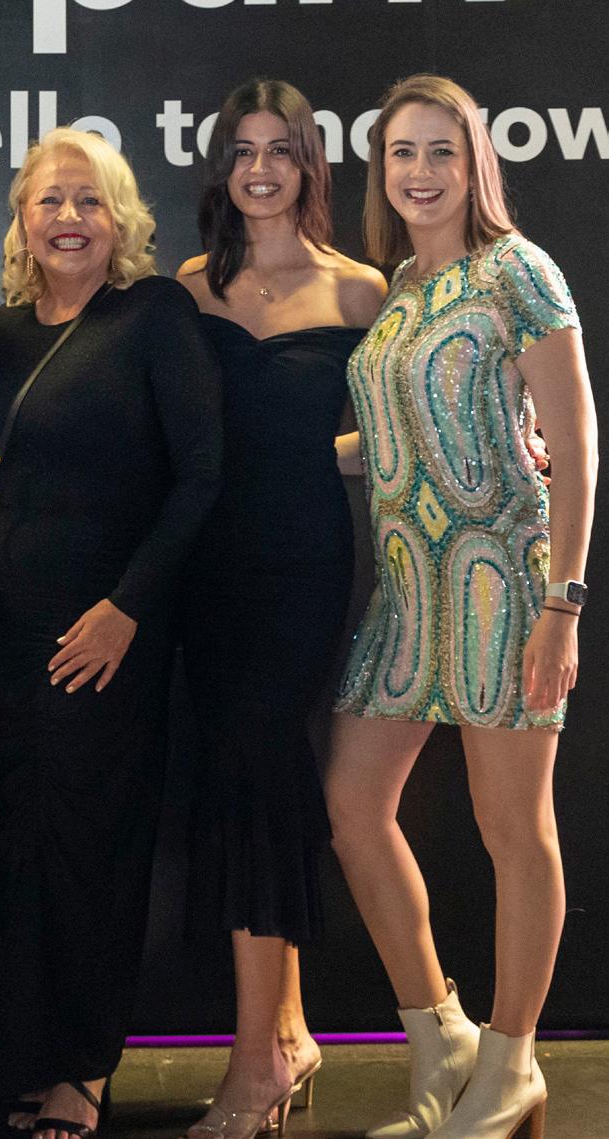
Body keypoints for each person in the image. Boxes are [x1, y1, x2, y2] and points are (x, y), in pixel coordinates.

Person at [326, 74, 596, 1139]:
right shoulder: (400, 284)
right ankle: (441, 1036)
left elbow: (574, 444)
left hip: (505, 584)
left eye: (442, 150)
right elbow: (398, 431)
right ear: (381, 169)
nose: (420, 171)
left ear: (475, 162)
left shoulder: (516, 270)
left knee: (512, 828)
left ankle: (512, 1062)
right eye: (402, 152)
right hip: (408, 589)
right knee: (353, 806)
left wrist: (562, 604)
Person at [0, 127, 223, 1139]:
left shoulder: (152, 313)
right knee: (13, 842)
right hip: (2, 635)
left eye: (88, 200)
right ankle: (18, 1057)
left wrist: (127, 609)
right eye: (49, 200)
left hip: (106, 629)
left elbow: (199, 475)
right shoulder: (3, 332)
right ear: (21, 219)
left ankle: (82, 1066)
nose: (68, 218)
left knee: (90, 848)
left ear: (120, 219)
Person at [174, 80, 387, 1139]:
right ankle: (289, 1033)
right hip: (204, 573)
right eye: (242, 151)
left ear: (309, 163)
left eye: (280, 150)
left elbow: (388, 431)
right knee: (246, 785)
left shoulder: (360, 290)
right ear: (221, 168)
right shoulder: (187, 286)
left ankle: (252, 1064)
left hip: (301, 567)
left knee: (257, 770)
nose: (260, 169)